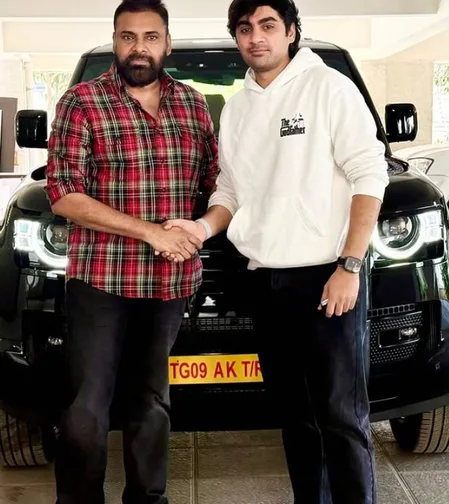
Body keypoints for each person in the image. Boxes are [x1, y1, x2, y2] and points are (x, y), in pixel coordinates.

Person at [163, 0, 390, 503]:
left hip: (326, 278)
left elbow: (369, 173)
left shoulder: (329, 87)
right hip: (264, 280)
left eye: (268, 26)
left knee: (341, 416)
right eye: (245, 29)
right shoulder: (237, 109)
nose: (256, 37)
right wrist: (201, 227)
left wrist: (350, 265)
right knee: (295, 416)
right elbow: (230, 192)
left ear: (290, 32)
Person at [44, 0, 219, 502]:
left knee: (151, 404)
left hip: (170, 283)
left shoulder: (193, 105)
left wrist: (204, 227)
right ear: (115, 41)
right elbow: (64, 194)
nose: (138, 48)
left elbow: (217, 183)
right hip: (102, 279)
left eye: (150, 37)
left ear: (167, 43)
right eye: (128, 37)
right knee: (86, 407)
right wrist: (151, 233)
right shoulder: (82, 102)